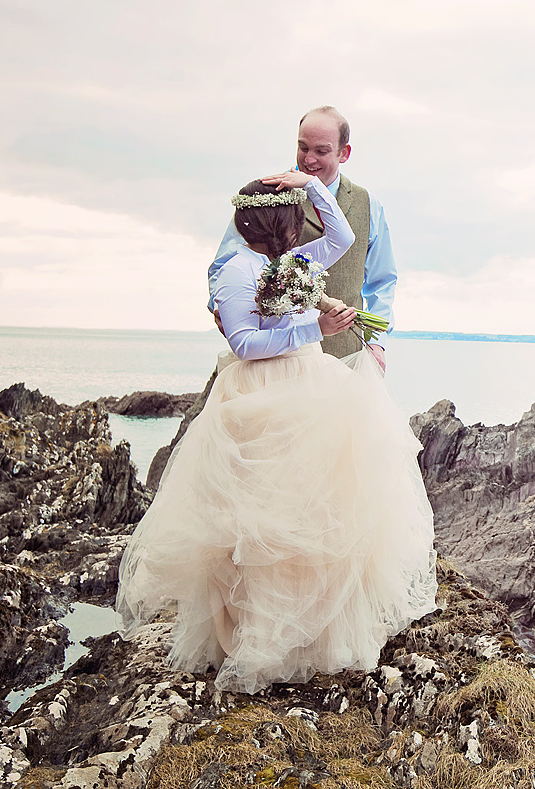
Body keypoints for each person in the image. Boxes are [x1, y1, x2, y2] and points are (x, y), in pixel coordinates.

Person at [117, 169, 437, 693]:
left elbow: (343, 239)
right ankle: (253, 634)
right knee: (256, 522)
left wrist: (309, 185)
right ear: (280, 225)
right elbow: (244, 343)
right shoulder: (238, 272)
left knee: (313, 510)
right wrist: (316, 328)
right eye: (296, 217)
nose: (302, 228)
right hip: (259, 395)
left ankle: (310, 632)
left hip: (308, 385)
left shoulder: (288, 264)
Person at [208, 106, 396, 367]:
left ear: (344, 153)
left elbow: (381, 282)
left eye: (321, 151)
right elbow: (224, 266)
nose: (308, 160)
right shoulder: (268, 196)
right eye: (303, 148)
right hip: (272, 357)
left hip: (349, 353)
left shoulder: (369, 205)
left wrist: (377, 343)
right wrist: (225, 311)